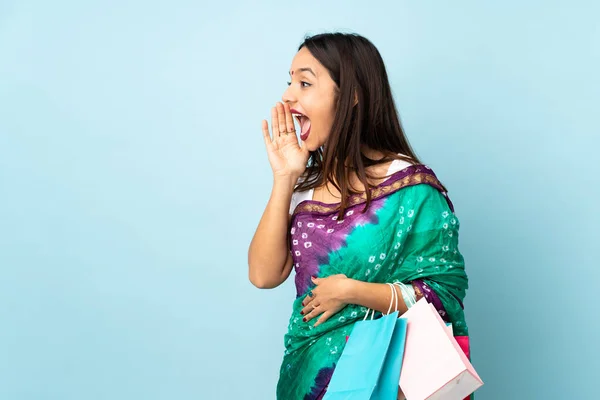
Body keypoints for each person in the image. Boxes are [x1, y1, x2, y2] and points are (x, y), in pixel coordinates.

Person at [248, 32, 471, 400]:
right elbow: (263, 274)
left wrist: (352, 292)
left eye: (305, 83)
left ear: (351, 95)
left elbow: (443, 294)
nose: (288, 96)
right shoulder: (304, 185)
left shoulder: (410, 187)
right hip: (309, 378)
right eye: (290, 82)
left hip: (388, 379)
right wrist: (285, 178)